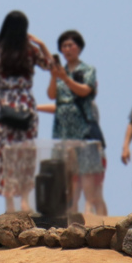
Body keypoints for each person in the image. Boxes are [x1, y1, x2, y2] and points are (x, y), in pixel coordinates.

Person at [0, 11, 52, 213]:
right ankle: (25, 202)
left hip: (4, 105)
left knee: (6, 155)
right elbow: (51, 66)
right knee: (26, 153)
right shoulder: (30, 51)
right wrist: (41, 44)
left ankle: (10, 204)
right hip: (26, 103)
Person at [48, 30, 106, 215]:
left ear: (79, 47)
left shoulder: (87, 70)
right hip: (63, 132)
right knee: (68, 183)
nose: (67, 49)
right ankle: (70, 220)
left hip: (84, 131)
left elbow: (85, 91)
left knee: (89, 183)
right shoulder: (60, 72)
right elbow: (51, 95)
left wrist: (65, 79)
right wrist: (54, 76)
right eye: (63, 46)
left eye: (70, 45)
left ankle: (95, 221)